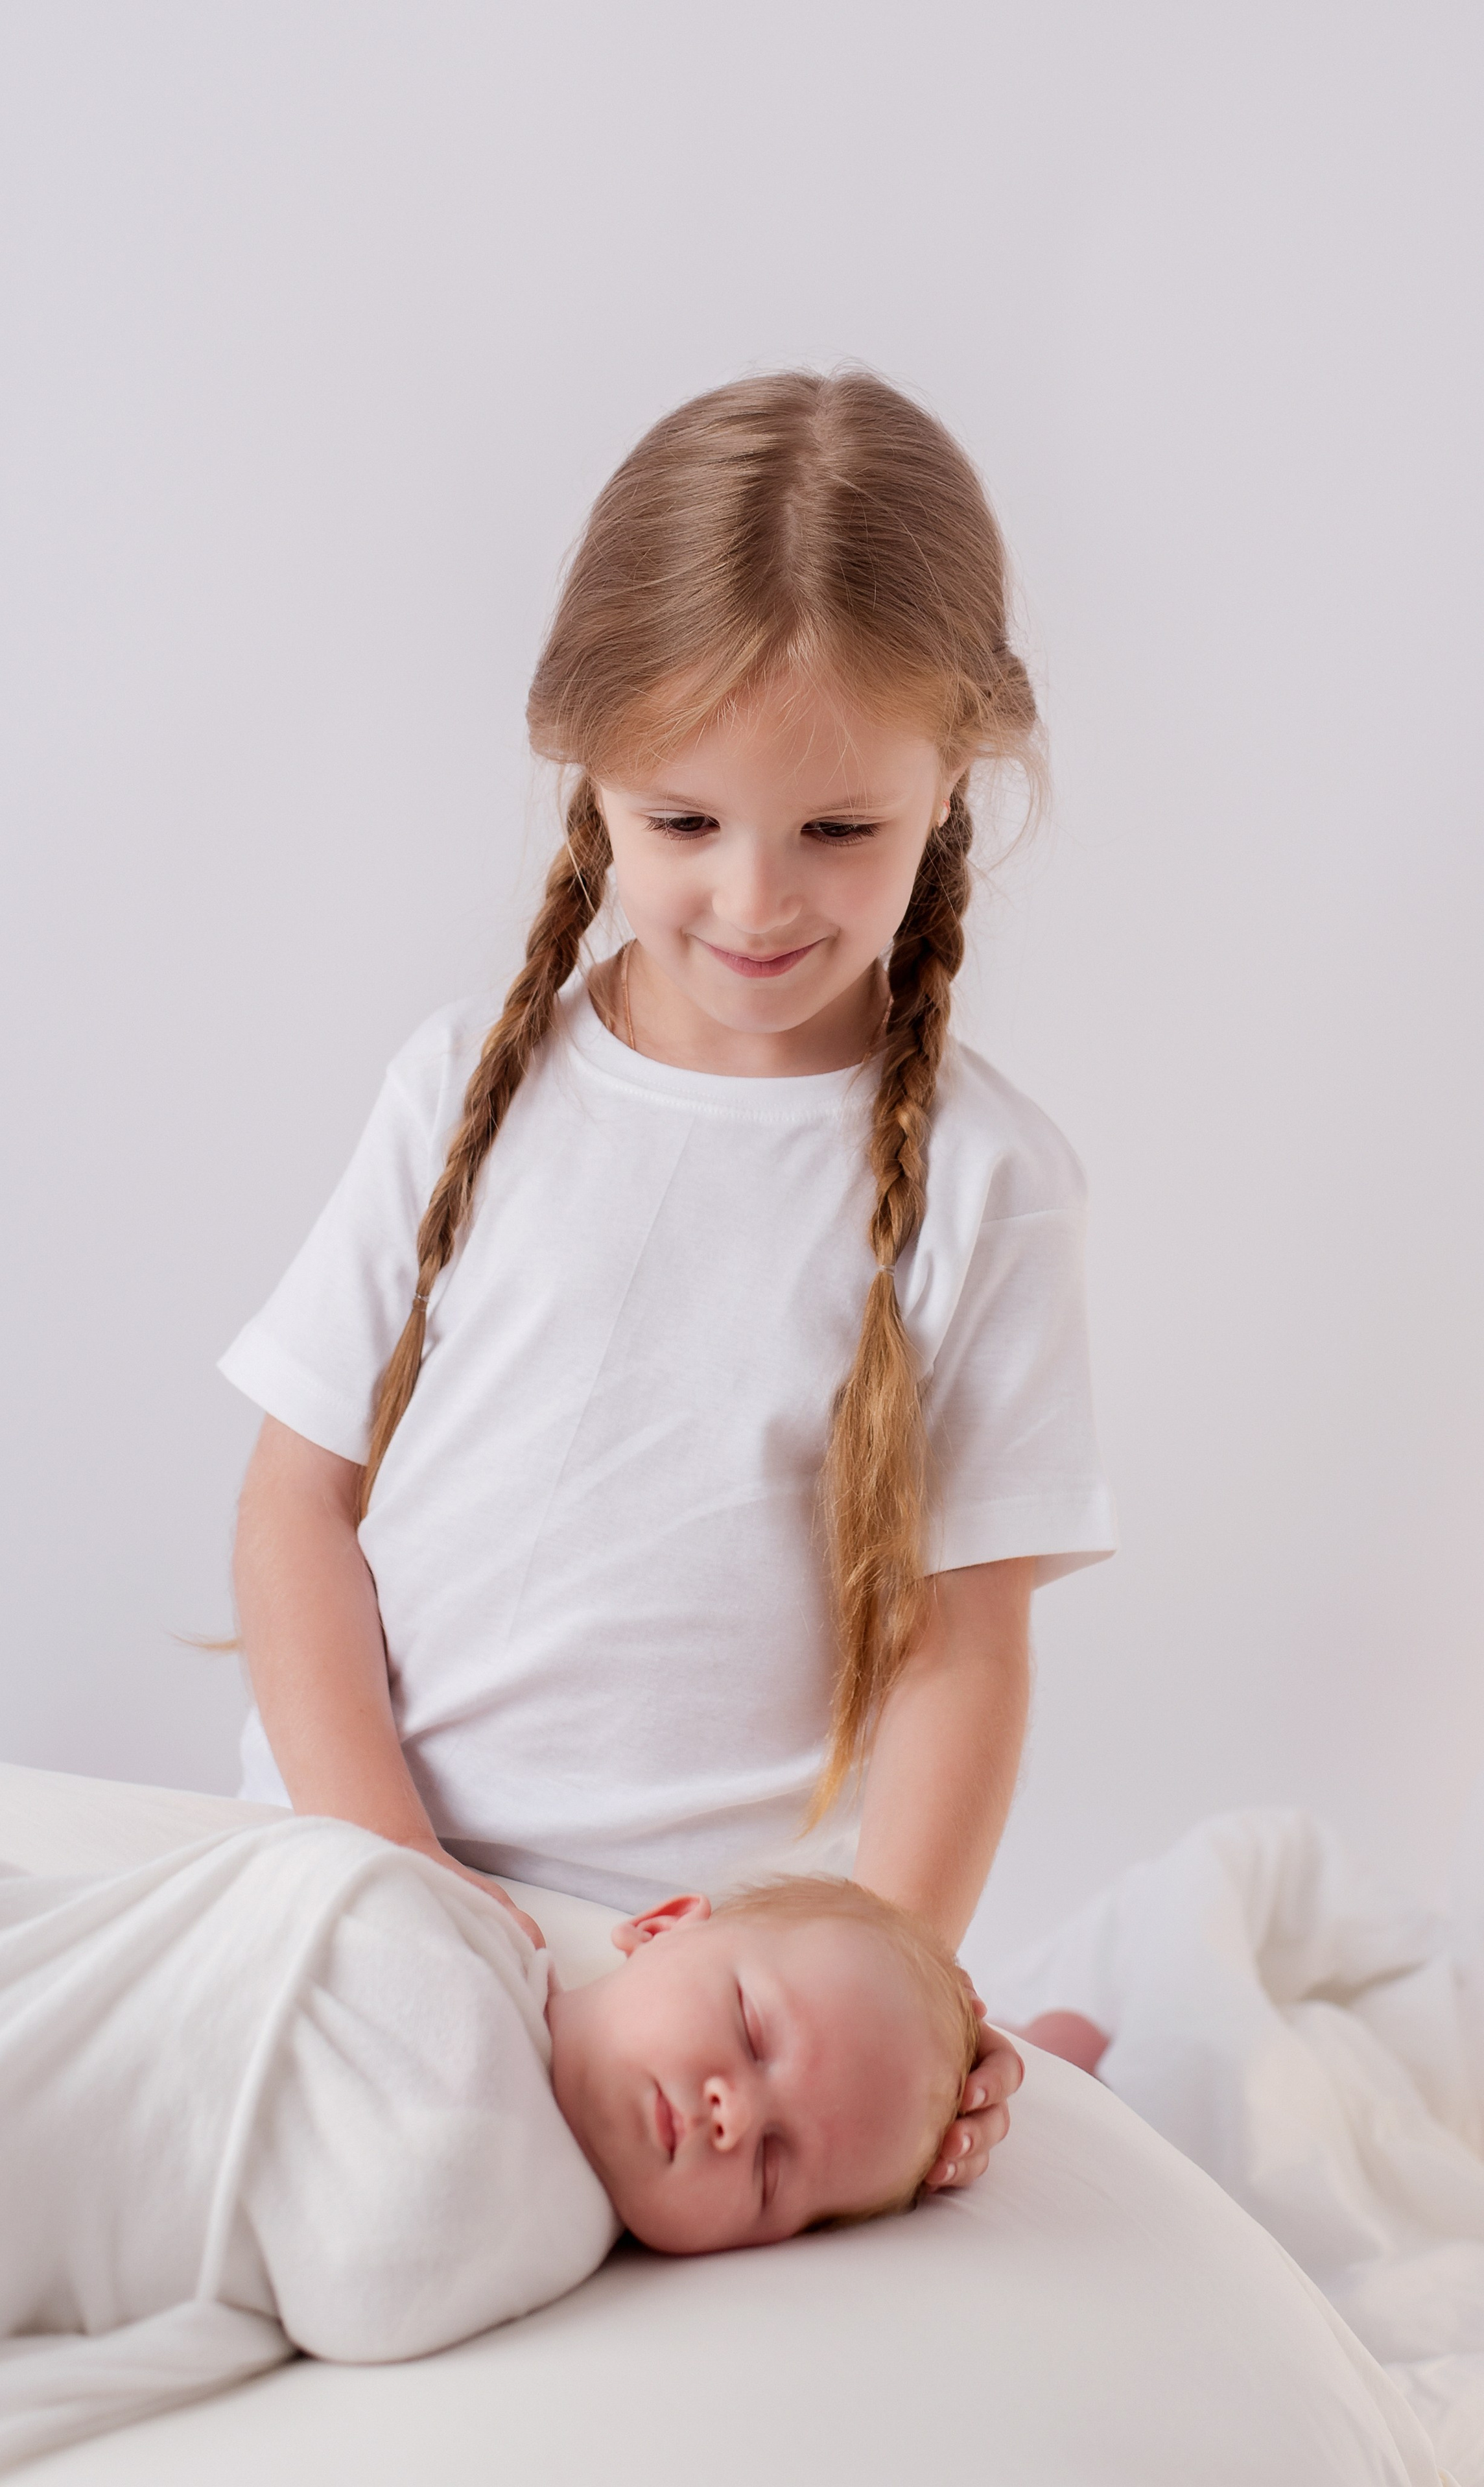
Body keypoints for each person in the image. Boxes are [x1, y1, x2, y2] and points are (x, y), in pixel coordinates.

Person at [219, 369, 1116, 2194]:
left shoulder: (987, 1188)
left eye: (839, 830)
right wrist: (403, 1875)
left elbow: (962, 1650)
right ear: (584, 760)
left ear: (959, 772)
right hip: (354, 1876)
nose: (757, 900)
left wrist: (904, 1988)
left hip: (698, 2005)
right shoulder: (469, 1084)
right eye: (683, 821)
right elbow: (294, 1506)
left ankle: (1058, 2051)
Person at [0, 1800, 977, 2372]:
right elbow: (283, 1895)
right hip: (30, 1974)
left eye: (777, 2168)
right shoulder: (457, 1934)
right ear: (661, 1926)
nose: (736, 2113)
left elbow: (375, 2283)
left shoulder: (540, 2224)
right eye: (749, 2030)